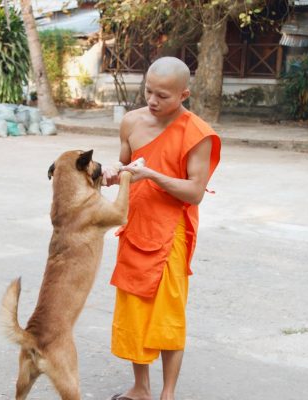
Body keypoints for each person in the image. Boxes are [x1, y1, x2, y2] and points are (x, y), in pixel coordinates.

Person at [102, 57, 221, 400]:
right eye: (149, 91)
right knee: (134, 312)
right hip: (135, 225)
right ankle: (141, 388)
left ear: (184, 94)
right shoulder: (131, 122)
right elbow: (124, 165)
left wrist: (152, 174)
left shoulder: (197, 133)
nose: (152, 101)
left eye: (163, 96)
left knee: (167, 316)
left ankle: (167, 393)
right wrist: (112, 174)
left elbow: (195, 192)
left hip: (171, 234)